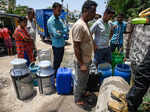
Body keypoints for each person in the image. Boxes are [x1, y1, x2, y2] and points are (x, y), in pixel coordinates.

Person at [70, 0, 97, 107]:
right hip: (82, 61)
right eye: (93, 11)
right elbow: (76, 46)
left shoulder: (85, 24)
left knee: (84, 79)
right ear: (85, 10)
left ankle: (82, 92)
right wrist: (81, 64)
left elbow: (87, 40)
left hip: (86, 59)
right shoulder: (79, 25)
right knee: (80, 80)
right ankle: (77, 99)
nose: (94, 14)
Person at [47, 2, 68, 78]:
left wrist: (60, 32)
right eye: (58, 10)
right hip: (56, 46)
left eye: (60, 10)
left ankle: (56, 77)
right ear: (54, 10)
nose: (60, 12)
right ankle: (54, 78)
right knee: (56, 64)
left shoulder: (60, 19)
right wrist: (61, 32)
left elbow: (66, 29)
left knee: (59, 62)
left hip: (62, 44)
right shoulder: (50, 21)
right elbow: (56, 35)